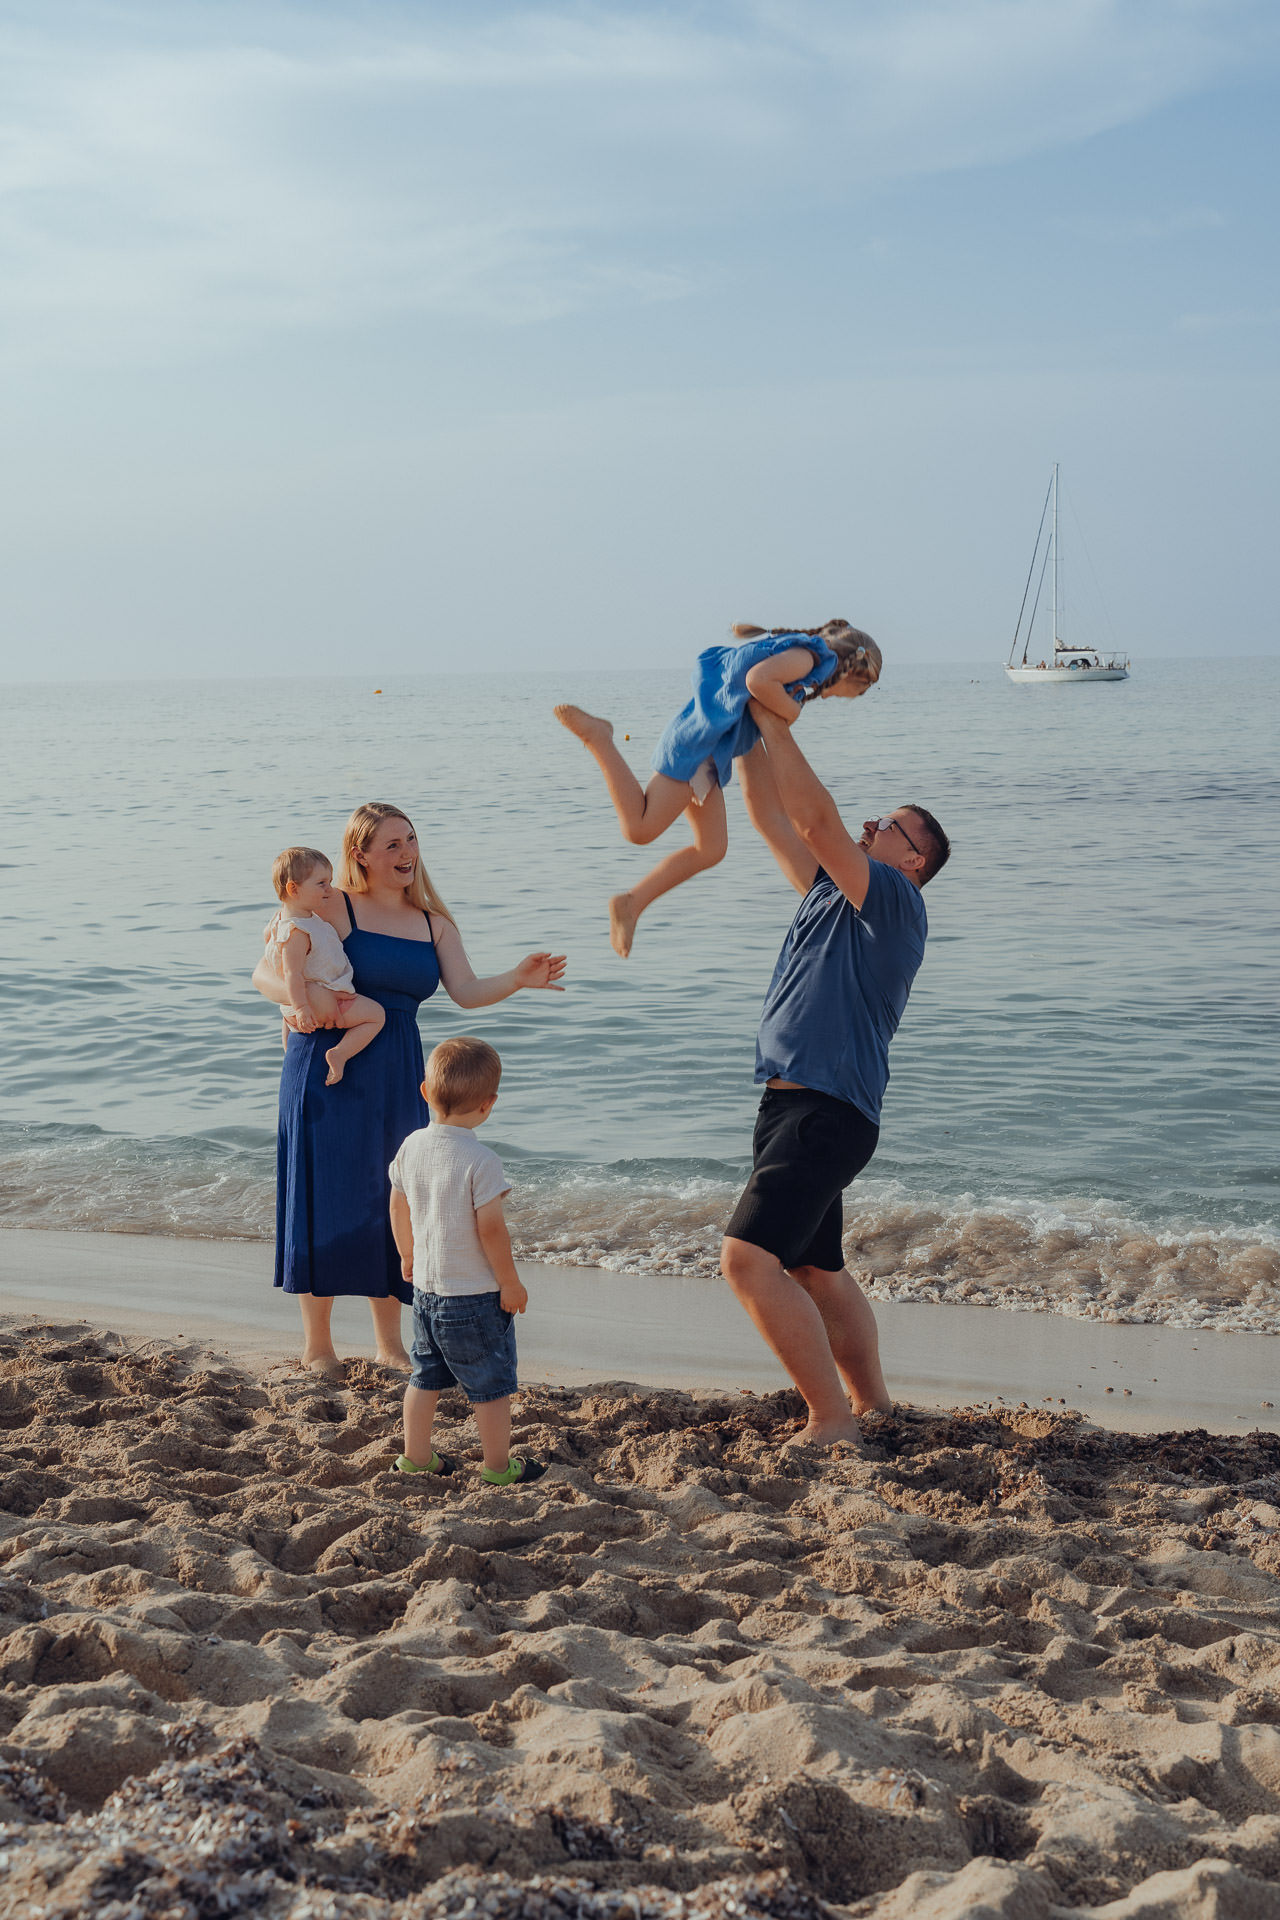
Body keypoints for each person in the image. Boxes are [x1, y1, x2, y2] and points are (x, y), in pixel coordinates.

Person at [252, 801, 566, 1381]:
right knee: (317, 1191)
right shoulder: (335, 905)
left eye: (411, 841)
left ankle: (387, 1342)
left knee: (390, 1195)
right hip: (325, 1060)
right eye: (391, 845)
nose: (406, 854)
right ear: (360, 854)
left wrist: (520, 980)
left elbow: (467, 990)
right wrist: (300, 1006)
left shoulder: (432, 923)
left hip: (396, 1065)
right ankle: (317, 1345)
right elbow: (267, 967)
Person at [720, 703, 950, 1451]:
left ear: (912, 859)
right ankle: (873, 1404)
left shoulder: (896, 899)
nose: (871, 826)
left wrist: (781, 724)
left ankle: (831, 1419)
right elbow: (771, 817)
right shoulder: (831, 891)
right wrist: (746, 726)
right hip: (796, 1103)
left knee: (747, 1260)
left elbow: (818, 819)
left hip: (826, 1110)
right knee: (818, 1269)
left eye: (890, 825)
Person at [554, 621, 881, 957]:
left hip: (710, 755)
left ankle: (632, 902)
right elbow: (757, 681)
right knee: (639, 828)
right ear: (856, 674)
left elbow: (747, 687)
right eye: (860, 692)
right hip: (699, 747)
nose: (850, 699)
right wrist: (790, 711)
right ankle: (599, 738)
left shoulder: (800, 656)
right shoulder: (810, 658)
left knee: (711, 848)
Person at [388, 1036, 544, 1486]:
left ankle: (417, 1457)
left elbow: (398, 1204)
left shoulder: (412, 1146)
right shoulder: (481, 1160)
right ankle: (498, 1467)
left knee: (424, 1377)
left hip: (426, 1294)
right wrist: (510, 1283)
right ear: (488, 1104)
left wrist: (406, 1252)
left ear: (425, 1092)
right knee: (490, 1387)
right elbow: (491, 1229)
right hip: (474, 1299)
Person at [263, 847, 385, 1085]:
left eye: (329, 882)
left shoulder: (289, 921)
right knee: (376, 1016)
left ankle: (290, 1052)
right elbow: (291, 973)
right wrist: (301, 1007)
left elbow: (269, 944)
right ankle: (340, 1053)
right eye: (321, 884)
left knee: (289, 1027)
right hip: (326, 1001)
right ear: (293, 889)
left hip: (304, 1004)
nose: (330, 890)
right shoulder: (297, 931)